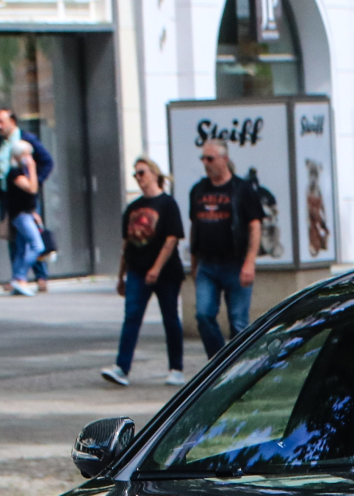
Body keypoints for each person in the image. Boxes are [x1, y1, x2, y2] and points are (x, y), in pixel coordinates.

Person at [104, 157, 186, 388]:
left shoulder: (167, 204)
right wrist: (121, 275)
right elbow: (126, 244)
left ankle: (176, 368)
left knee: (170, 318)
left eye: (142, 173)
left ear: (154, 174)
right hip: (137, 270)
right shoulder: (133, 207)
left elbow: (171, 240)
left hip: (165, 272)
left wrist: (156, 268)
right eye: (135, 175)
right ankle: (121, 367)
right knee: (131, 316)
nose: (139, 178)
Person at [187, 139, 261, 358]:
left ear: (225, 159)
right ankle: (219, 362)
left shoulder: (241, 189)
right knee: (203, 315)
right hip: (207, 265)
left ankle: (238, 367)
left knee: (238, 322)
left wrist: (250, 261)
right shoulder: (198, 190)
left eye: (210, 158)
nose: (206, 163)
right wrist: (193, 261)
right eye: (203, 158)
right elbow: (194, 225)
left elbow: (255, 226)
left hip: (236, 263)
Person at [0, 108, 53, 292]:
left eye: (2, 121)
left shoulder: (27, 140)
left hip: (26, 196)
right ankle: (18, 276)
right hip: (8, 195)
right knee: (15, 239)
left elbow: (47, 162)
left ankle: (39, 276)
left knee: (33, 237)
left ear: (13, 121)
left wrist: (35, 181)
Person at [0, 138, 44, 297]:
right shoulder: (15, 173)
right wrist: (32, 168)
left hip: (27, 213)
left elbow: (28, 197)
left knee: (21, 248)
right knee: (37, 246)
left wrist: (34, 213)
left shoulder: (22, 172)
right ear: (19, 155)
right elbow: (32, 188)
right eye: (26, 155)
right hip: (19, 215)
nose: (29, 158)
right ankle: (20, 277)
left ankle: (17, 279)